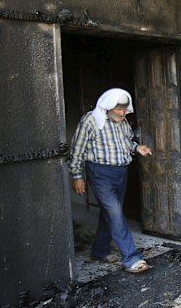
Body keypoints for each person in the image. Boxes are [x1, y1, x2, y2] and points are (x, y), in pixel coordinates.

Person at [69, 87, 153, 273]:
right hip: (100, 173)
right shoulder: (91, 120)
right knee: (115, 213)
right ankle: (131, 258)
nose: (122, 113)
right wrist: (77, 176)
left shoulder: (122, 122)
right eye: (118, 109)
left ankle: (99, 250)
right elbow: (77, 150)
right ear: (107, 107)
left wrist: (137, 148)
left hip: (120, 173)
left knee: (110, 213)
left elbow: (126, 141)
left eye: (124, 109)